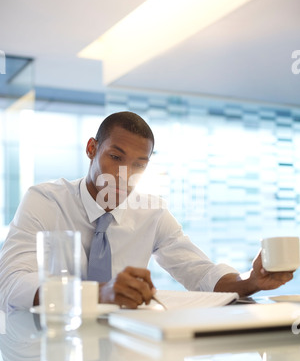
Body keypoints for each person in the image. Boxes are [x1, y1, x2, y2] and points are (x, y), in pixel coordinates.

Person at [0, 111, 294, 311]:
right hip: (50, 351)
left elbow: (200, 273)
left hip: (123, 351)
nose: (124, 174)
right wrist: (98, 295)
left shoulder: (151, 212)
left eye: (138, 165)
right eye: (115, 157)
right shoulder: (44, 201)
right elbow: (11, 284)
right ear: (92, 148)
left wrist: (251, 282)